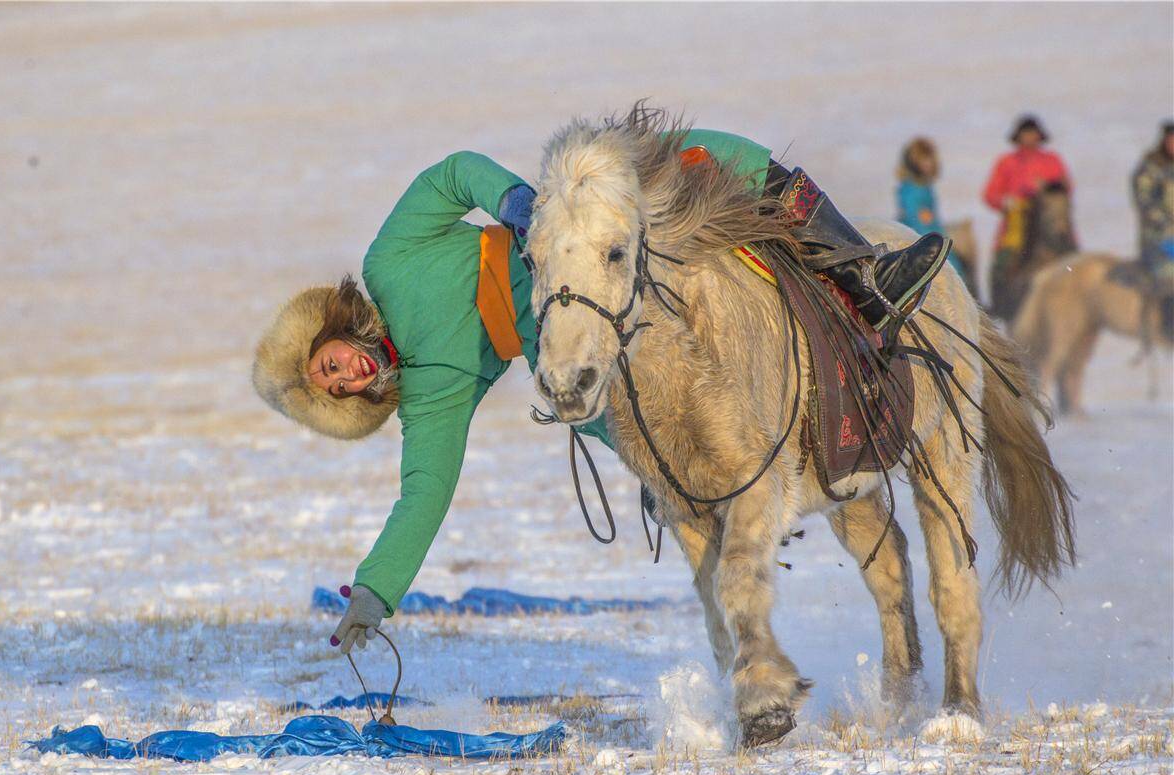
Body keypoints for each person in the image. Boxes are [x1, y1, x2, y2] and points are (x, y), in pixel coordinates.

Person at [251, 129, 951, 654]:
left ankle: (862, 277)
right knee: (600, 410)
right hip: (555, 338)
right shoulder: (432, 393)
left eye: (329, 363)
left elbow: (450, 177)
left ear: (331, 330)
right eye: (335, 389)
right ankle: (705, 490)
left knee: (698, 155)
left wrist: (524, 209)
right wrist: (374, 595)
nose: (345, 375)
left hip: (565, 247)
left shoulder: (389, 263)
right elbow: (425, 490)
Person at [982, 115, 1073, 318]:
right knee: (1002, 264)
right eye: (1026, 133)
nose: (1030, 138)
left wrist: (1048, 190)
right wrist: (1007, 201)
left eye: (1033, 133)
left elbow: (1066, 189)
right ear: (1018, 136)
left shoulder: (1052, 160)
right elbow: (990, 194)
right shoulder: (1007, 162)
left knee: (1071, 259)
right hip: (1018, 224)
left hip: (1048, 222)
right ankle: (1000, 307)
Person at [896, 137, 967, 278]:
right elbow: (917, 222)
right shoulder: (911, 190)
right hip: (919, 240)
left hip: (932, 235)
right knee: (952, 268)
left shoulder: (925, 187)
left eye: (929, 159)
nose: (928, 164)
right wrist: (939, 242)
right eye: (923, 160)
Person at [1131, 120, 1174, 336]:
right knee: (1169, 275)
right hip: (1160, 238)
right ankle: (1169, 325)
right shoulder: (1151, 168)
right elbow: (1145, 202)